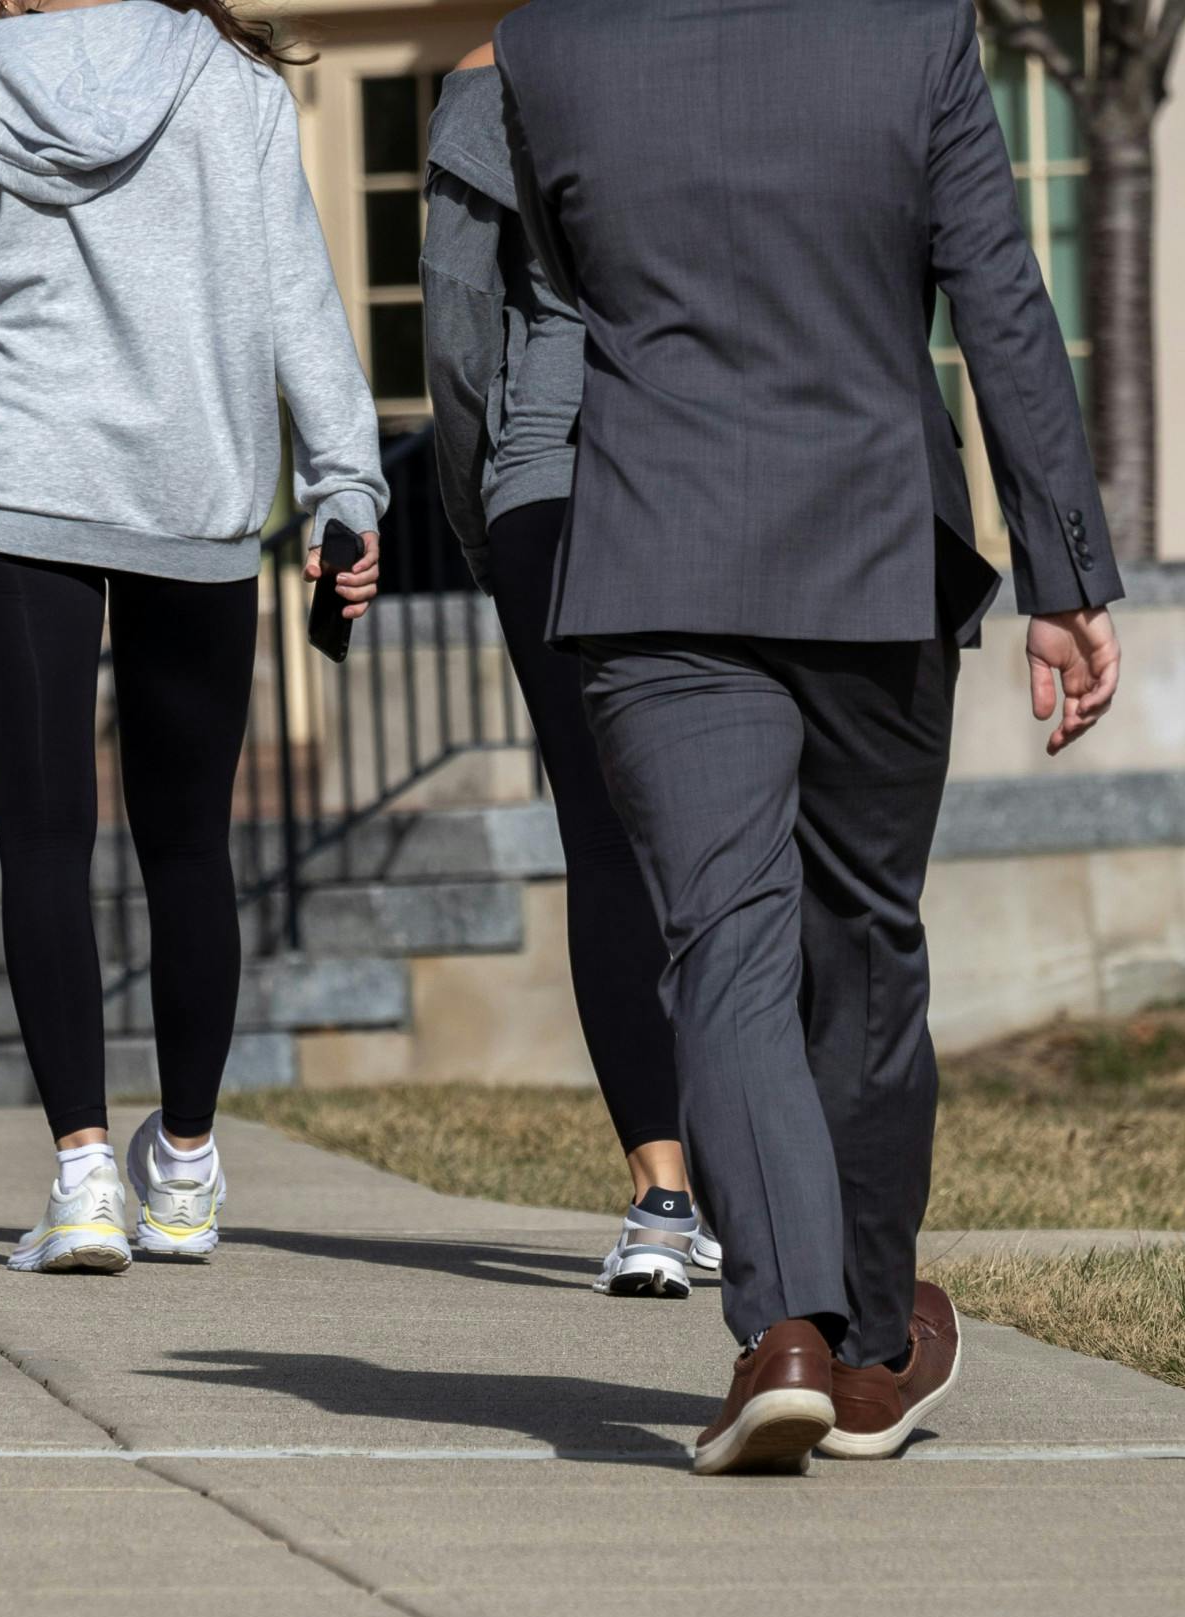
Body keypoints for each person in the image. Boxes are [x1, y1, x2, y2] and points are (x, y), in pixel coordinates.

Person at [497, 0, 1125, 1472]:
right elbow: (997, 294)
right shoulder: (911, 35)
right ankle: (857, 1349)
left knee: (723, 941)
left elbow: (572, 281)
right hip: (866, 544)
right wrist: (1064, 573)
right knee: (860, 937)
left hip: (657, 552)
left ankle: (784, 1331)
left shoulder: (548, 50)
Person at [0, 0, 386, 1272]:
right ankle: (184, 1167)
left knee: (42, 838)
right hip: (192, 499)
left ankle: (85, 1174)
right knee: (190, 844)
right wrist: (345, 484)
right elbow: (295, 294)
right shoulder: (229, 81)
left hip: (17, 497)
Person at [420, 44, 721, 1299]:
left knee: (600, 838)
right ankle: (758, 1182)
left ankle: (661, 1198)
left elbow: (452, 317)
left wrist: (480, 509)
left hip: (548, 474)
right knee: (731, 838)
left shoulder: (493, 77)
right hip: (710, 475)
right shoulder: (729, 57)